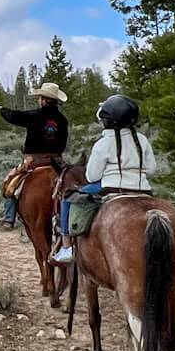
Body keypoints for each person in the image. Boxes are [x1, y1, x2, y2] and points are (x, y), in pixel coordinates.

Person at [53, 94, 154, 263]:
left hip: (111, 187)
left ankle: (67, 246)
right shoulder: (142, 140)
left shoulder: (103, 143)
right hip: (142, 188)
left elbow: (92, 176)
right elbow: (151, 169)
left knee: (68, 198)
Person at [0, 83, 69, 222]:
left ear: (43, 99)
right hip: (57, 163)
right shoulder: (62, 120)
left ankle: (8, 217)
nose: (38, 100)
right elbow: (63, 143)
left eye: (40, 97)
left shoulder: (35, 115)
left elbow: (14, 116)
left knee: (10, 183)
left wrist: (1, 110)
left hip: (34, 162)